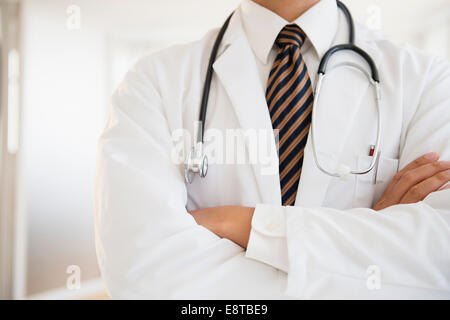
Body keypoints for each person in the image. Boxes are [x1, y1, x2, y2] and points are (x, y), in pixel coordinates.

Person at [94, 0, 450, 299]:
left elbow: (438, 262)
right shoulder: (152, 82)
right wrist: (373, 246)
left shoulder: (428, 81)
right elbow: (142, 274)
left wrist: (244, 223)